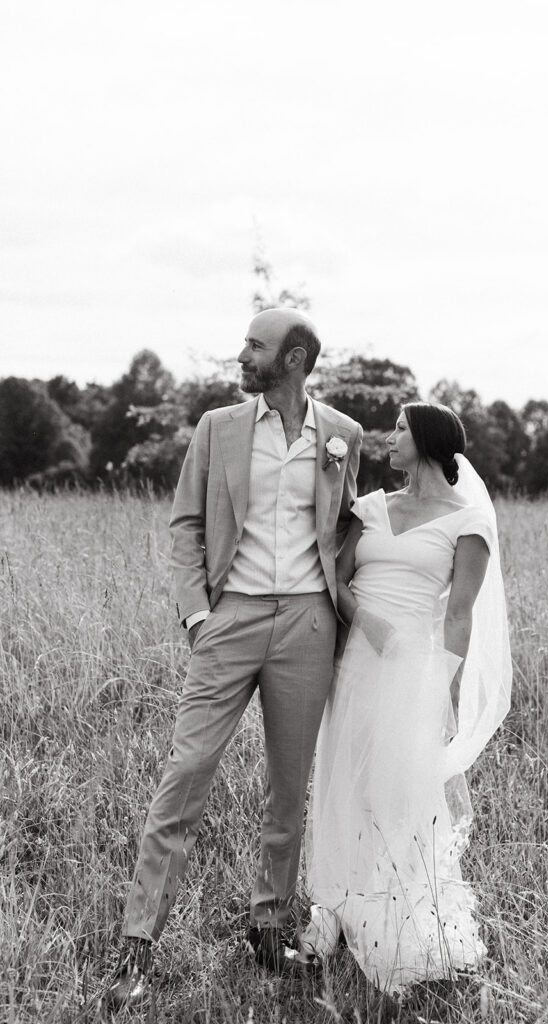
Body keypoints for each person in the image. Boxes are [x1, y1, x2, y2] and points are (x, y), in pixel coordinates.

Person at [102, 307, 362, 1011]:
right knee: (183, 777)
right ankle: (137, 945)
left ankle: (269, 927)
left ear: (295, 359)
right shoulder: (217, 428)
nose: (241, 354)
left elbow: (346, 527)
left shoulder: (343, 436)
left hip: (308, 624)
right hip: (230, 618)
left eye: (256, 345)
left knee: (288, 787)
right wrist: (197, 614)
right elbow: (185, 523)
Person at [300, 401, 512, 994]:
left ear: (428, 440)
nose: (388, 438)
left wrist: (440, 691)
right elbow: (334, 580)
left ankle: (387, 910)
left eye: (399, 429)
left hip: (414, 671)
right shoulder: (371, 507)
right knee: (343, 779)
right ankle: (332, 909)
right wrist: (368, 624)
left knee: (394, 790)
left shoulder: (468, 523)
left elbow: (461, 616)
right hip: (355, 662)